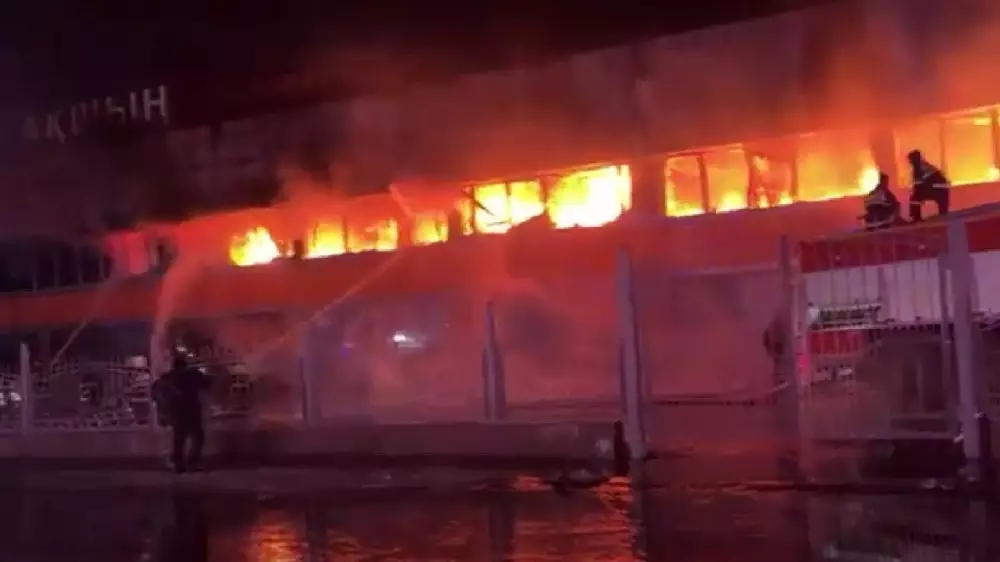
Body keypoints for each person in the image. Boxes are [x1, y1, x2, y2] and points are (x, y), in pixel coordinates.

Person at [154, 355, 211, 473]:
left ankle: (179, 464)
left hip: (177, 412)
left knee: (179, 440)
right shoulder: (191, 375)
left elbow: (157, 391)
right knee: (197, 438)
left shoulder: (169, 377)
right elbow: (207, 383)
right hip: (191, 411)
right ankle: (191, 462)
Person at [906, 149, 950, 222]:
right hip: (940, 189)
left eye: (911, 160)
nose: (910, 162)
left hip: (938, 189)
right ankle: (943, 215)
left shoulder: (919, 168)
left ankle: (916, 218)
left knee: (915, 197)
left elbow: (918, 185)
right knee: (916, 196)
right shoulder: (924, 166)